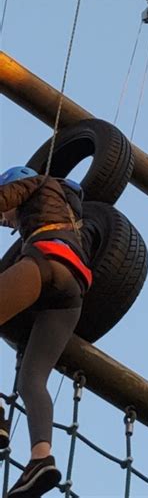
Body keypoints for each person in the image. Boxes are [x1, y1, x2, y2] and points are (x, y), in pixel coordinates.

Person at [0, 166, 92, 498]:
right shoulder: (72, 214)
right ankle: (41, 458)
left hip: (46, 258)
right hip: (74, 286)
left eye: (6, 219)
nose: (7, 223)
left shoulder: (34, 183)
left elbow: (7, 198)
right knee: (32, 379)